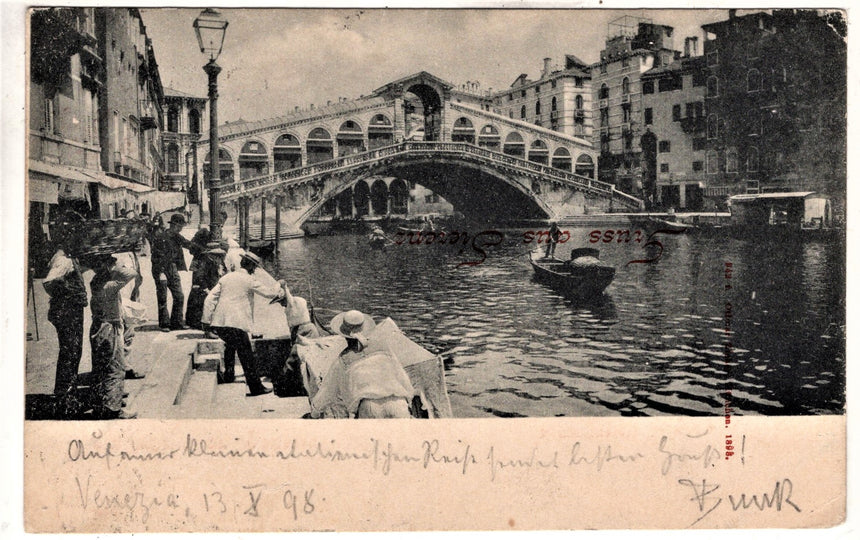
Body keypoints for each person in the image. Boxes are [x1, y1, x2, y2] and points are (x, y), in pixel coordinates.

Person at [202, 251, 281, 395]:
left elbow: (209, 299)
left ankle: (229, 375)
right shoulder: (249, 280)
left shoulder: (226, 278)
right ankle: (256, 388)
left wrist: (206, 322)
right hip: (236, 323)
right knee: (247, 355)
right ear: (250, 267)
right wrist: (279, 284)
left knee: (231, 346)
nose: (254, 271)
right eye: (254, 268)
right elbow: (270, 293)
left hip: (220, 323)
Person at [311, 310, 414, 419]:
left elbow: (327, 392)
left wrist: (314, 412)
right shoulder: (385, 349)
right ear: (365, 330)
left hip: (369, 408)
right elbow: (404, 380)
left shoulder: (343, 360)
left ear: (344, 336)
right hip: (399, 404)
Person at [86, 253, 138, 419]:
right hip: (110, 327)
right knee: (115, 367)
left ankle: (101, 404)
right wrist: (117, 266)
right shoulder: (109, 285)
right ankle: (113, 409)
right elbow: (132, 273)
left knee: (100, 367)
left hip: (98, 326)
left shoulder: (96, 281)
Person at [42, 237, 88, 415]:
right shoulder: (63, 260)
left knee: (72, 350)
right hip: (67, 311)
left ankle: (67, 392)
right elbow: (49, 283)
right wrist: (70, 292)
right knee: (70, 351)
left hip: (68, 310)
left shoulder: (66, 257)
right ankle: (64, 397)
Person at [151, 213, 192, 331]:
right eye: (180, 226)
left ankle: (177, 322)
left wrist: (203, 249)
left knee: (179, 296)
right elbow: (157, 257)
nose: (181, 229)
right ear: (174, 225)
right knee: (163, 297)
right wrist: (161, 273)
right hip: (161, 269)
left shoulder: (177, 236)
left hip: (173, 268)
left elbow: (188, 244)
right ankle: (164, 324)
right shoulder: (161, 237)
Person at [185, 242, 226, 330]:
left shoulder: (217, 262)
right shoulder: (205, 262)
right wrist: (206, 289)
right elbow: (199, 277)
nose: (219, 258)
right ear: (211, 255)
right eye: (217, 255)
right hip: (205, 288)